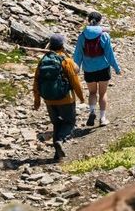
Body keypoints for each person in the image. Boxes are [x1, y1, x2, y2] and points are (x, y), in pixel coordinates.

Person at [33, 33, 85, 162]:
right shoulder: (66, 61)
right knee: (69, 122)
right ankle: (60, 140)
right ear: (62, 45)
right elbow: (75, 81)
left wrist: (37, 100)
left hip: (49, 99)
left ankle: (57, 155)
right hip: (66, 98)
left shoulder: (43, 60)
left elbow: (36, 81)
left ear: (50, 45)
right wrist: (81, 96)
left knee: (57, 124)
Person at [73, 11, 123, 127]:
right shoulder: (104, 35)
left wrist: (75, 69)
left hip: (88, 69)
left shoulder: (82, 36)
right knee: (103, 92)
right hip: (103, 68)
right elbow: (110, 54)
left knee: (92, 93)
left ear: (88, 21)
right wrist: (117, 68)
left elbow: (78, 55)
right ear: (100, 21)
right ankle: (103, 118)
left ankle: (91, 112)